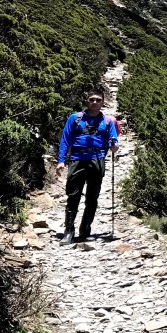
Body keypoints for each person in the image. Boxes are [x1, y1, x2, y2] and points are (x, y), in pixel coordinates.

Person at [57, 89, 119, 244]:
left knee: (92, 197)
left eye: (98, 100)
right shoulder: (75, 118)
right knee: (73, 195)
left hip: (97, 160)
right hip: (77, 159)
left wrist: (114, 146)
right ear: (86, 101)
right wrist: (61, 161)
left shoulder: (108, 121)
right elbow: (65, 139)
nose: (95, 102)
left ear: (103, 102)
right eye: (92, 99)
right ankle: (69, 231)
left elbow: (113, 141)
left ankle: (85, 230)